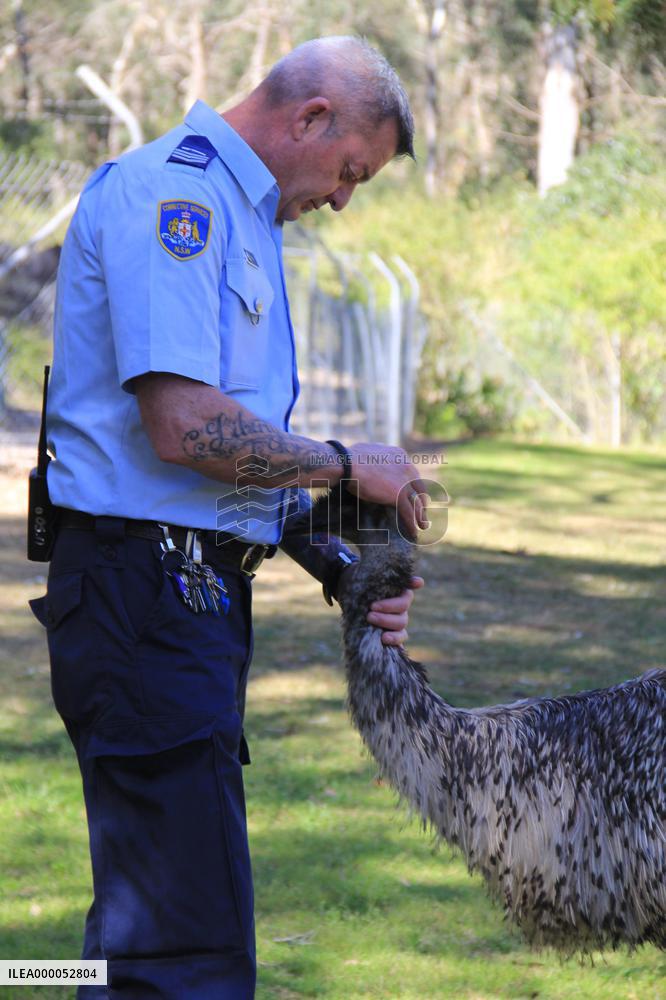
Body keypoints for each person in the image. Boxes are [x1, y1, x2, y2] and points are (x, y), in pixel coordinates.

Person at [31, 36, 427, 999]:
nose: (344, 199)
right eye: (350, 171)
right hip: (144, 597)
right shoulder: (177, 198)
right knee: (184, 953)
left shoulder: (242, 217)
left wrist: (341, 565)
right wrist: (347, 464)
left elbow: (234, 463)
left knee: (156, 936)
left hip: (181, 598)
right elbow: (186, 429)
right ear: (311, 117)